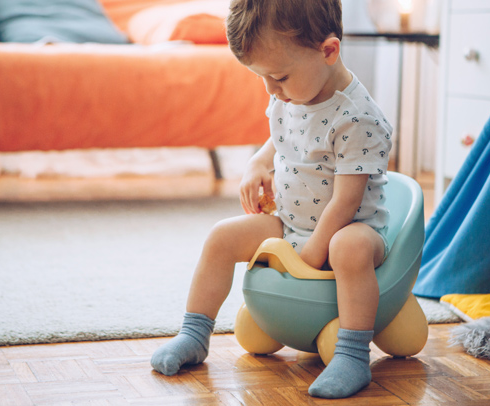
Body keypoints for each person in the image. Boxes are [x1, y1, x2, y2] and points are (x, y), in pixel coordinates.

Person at [151, 0, 393, 398]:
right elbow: (282, 138)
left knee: (347, 247)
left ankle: (351, 354)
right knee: (221, 236)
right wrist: (258, 164)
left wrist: (313, 252)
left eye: (278, 76)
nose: (270, 89)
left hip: (352, 229)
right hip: (292, 223)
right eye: (263, 77)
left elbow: (346, 202)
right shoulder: (293, 93)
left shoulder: (358, 119)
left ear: (328, 51)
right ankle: (194, 333)